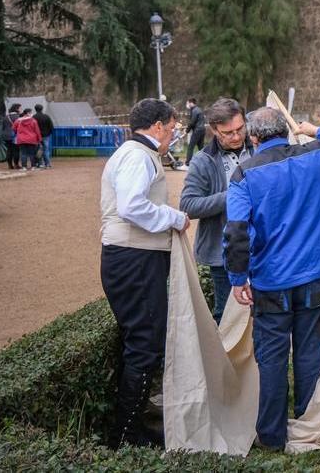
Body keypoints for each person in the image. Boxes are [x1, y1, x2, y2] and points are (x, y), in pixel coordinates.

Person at [224, 108, 320, 450]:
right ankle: (310, 422)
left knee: (273, 359)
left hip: (272, 282)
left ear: (252, 138)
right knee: (310, 352)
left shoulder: (244, 174)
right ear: (287, 130)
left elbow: (236, 232)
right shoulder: (318, 155)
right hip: (315, 275)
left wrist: (237, 278)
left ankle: (272, 436)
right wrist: (315, 129)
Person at [100, 98, 189, 448]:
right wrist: (174, 217)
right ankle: (127, 433)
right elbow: (132, 205)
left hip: (134, 257)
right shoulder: (138, 155)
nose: (171, 135)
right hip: (133, 259)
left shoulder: (134, 152)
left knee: (143, 339)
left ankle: (130, 427)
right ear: (156, 126)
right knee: (146, 344)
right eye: (170, 128)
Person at [179, 98, 252, 323]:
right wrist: (233, 196)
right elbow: (188, 205)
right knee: (228, 316)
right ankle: (226, 359)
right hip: (224, 254)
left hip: (263, 248)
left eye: (240, 129)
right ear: (214, 130)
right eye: (227, 133)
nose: (237, 136)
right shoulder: (203, 160)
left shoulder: (259, 147)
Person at [184, 98, 206, 165]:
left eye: (187, 103)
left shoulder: (194, 111)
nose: (187, 105)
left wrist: (187, 130)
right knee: (201, 147)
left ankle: (188, 163)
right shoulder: (199, 109)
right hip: (202, 130)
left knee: (191, 146)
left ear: (191, 103)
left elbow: (192, 122)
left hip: (197, 130)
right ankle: (205, 161)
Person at [34, 104, 55, 169]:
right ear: (42, 109)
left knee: (38, 150)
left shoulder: (33, 117)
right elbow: (51, 126)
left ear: (35, 109)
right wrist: (49, 133)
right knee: (46, 150)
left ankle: (39, 164)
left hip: (36, 136)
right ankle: (47, 164)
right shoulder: (46, 116)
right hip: (46, 136)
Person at [5, 103, 21, 169]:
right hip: (14, 135)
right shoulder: (17, 117)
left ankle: (9, 165)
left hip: (6, 135)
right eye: (20, 108)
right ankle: (16, 164)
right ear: (16, 109)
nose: (21, 109)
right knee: (16, 150)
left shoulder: (6, 116)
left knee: (9, 150)